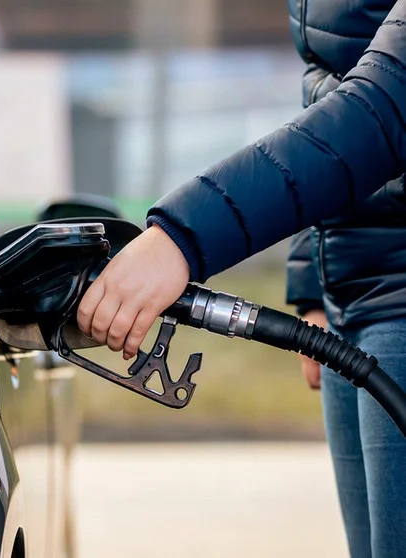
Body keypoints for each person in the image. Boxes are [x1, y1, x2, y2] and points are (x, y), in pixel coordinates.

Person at [75, 1, 406, 556]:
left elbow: (383, 107)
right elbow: (327, 89)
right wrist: (313, 279)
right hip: (352, 292)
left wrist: (182, 238)